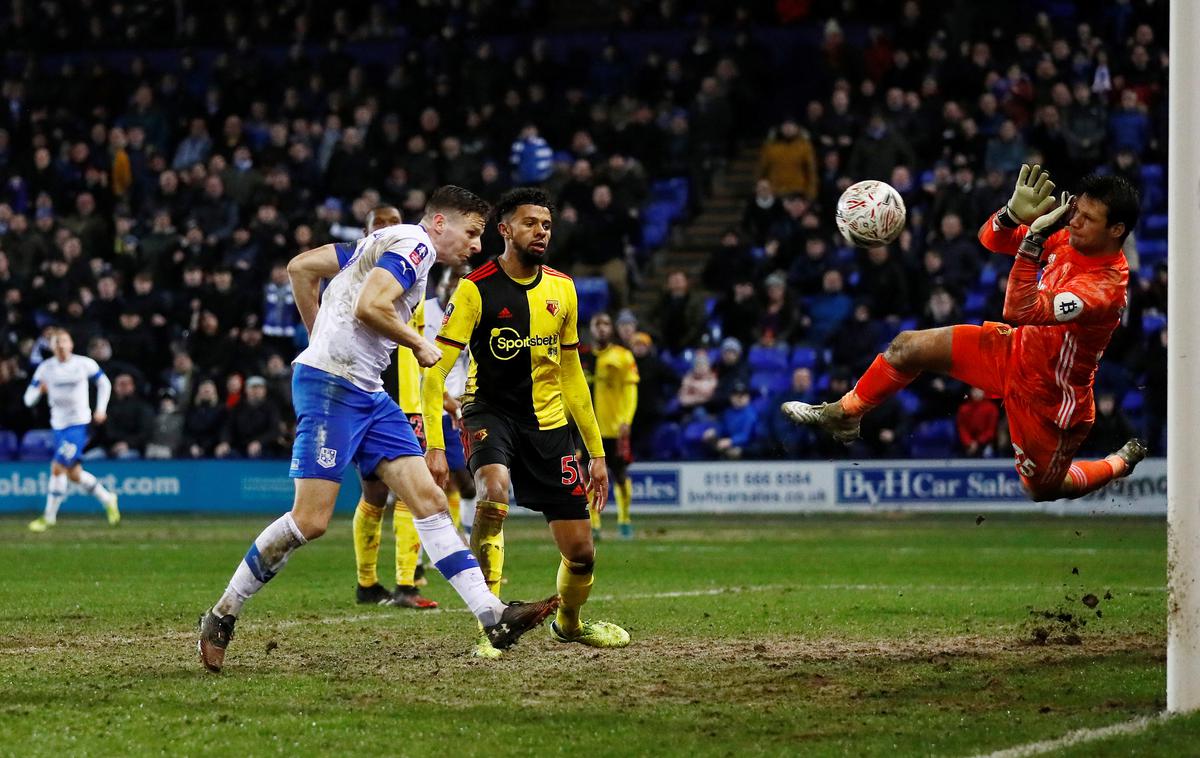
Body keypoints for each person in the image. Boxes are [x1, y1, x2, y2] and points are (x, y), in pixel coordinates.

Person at [197, 186, 559, 674]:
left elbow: (301, 268)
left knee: (429, 500)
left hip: (366, 391)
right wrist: (417, 344)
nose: (476, 246)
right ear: (439, 223)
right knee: (310, 521)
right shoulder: (417, 246)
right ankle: (222, 614)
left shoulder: (388, 240)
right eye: (471, 233)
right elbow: (371, 305)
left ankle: (491, 615)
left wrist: (318, 335)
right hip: (333, 390)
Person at [783, 166, 1147, 501]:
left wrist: (1033, 238)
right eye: (1076, 211)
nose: (1075, 221)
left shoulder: (1105, 287)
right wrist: (1010, 216)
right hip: (1012, 351)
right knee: (906, 347)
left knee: (1042, 489)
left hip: (1050, 397)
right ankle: (845, 413)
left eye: (1088, 218)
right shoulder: (1069, 239)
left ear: (1116, 230)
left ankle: (1119, 464)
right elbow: (991, 240)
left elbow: (1020, 309)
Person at [422, 187, 629, 659]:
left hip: (549, 426)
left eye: (547, 225)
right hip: (489, 412)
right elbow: (434, 371)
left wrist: (596, 452)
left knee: (581, 552)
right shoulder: (474, 289)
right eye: (531, 223)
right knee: (493, 490)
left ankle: (570, 625)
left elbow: (573, 377)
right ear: (505, 230)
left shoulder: (563, 288)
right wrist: (435, 443)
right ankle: (491, 621)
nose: (541, 231)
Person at [332, 205, 438, 611]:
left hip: (403, 395)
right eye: (382, 227)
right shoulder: (362, 283)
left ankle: (386, 583)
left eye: (398, 225)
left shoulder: (413, 278)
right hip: (375, 392)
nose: (394, 233)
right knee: (385, 492)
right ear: (366, 235)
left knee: (393, 492)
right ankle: (387, 584)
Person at [23, 328, 120, 532]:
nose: (60, 345)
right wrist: (38, 392)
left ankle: (49, 518)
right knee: (74, 474)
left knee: (57, 467)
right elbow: (28, 399)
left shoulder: (83, 364)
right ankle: (108, 498)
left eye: (64, 341)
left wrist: (101, 409)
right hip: (58, 425)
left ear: (71, 344)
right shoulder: (45, 368)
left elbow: (104, 383)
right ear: (51, 347)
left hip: (79, 424)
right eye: (56, 342)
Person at [586, 312, 639, 540]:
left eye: (606, 324)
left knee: (619, 474)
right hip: (589, 428)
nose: (602, 328)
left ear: (612, 329)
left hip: (615, 428)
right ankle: (594, 523)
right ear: (591, 329)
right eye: (597, 324)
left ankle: (624, 519)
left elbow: (631, 390)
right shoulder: (581, 357)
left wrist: (626, 419)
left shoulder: (623, 356)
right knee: (589, 478)